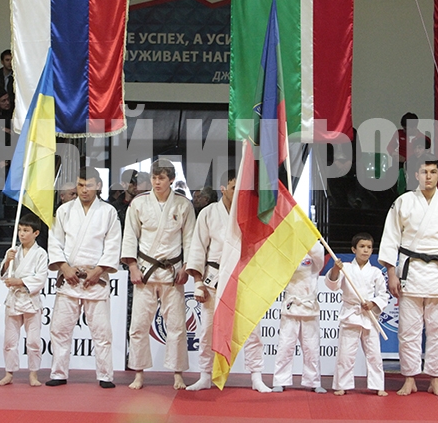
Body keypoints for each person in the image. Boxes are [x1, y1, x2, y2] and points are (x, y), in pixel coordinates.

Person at [378, 156, 438, 396]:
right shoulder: (403, 201)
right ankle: (409, 378)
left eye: (433, 172)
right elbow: (391, 238)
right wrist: (391, 273)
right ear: (416, 175)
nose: (428, 176)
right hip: (411, 271)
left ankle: (435, 378)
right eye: (424, 172)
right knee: (408, 330)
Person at [185, 170, 271, 393]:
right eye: (234, 188)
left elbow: (260, 247)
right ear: (222, 189)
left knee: (252, 330)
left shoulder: (251, 214)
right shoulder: (208, 213)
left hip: (244, 277)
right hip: (214, 279)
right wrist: (197, 283)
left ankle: (256, 376)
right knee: (207, 331)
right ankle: (205, 375)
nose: (239, 192)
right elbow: (198, 248)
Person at [122, 158, 195, 390]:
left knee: (177, 325)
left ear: (171, 179)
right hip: (145, 271)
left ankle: (178, 373)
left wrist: (186, 267)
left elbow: (190, 239)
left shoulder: (183, 205)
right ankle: (138, 373)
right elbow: (130, 236)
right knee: (138, 324)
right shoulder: (139, 203)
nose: (156, 182)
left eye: (161, 178)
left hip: (172, 272)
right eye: (154, 177)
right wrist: (132, 266)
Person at [46, 166, 122, 388]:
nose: (84, 190)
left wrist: (98, 270)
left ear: (98, 186)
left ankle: (105, 375)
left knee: (101, 331)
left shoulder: (108, 212)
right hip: (69, 276)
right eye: (80, 185)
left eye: (88, 185)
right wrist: (64, 267)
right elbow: (55, 242)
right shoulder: (64, 211)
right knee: (60, 329)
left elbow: (113, 244)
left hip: (95, 277)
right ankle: (58, 373)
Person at [325, 233, 389, 396]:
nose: (365, 250)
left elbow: (383, 295)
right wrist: (335, 269)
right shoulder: (345, 268)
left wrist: (373, 303)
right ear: (354, 249)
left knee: (374, 354)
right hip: (350, 314)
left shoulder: (375, 272)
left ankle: (378, 385)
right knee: (346, 354)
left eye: (369, 247)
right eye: (362, 247)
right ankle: (342, 384)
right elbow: (333, 285)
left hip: (369, 315)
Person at [0, 213, 48, 387]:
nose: (22, 234)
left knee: (33, 340)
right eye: (20, 230)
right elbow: (3, 275)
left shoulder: (41, 253)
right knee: (10, 340)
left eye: (26, 230)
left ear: (36, 233)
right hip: (13, 299)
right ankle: (9, 373)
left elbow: (40, 279)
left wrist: (19, 282)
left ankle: (33, 374)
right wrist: (7, 262)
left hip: (31, 299)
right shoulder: (12, 251)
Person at [272, 242, 326, 394]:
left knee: (311, 347)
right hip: (291, 305)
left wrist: (308, 239)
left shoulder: (314, 255)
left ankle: (314, 381)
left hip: (309, 306)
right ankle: (280, 380)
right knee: (285, 345)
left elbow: (319, 255)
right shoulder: (288, 251)